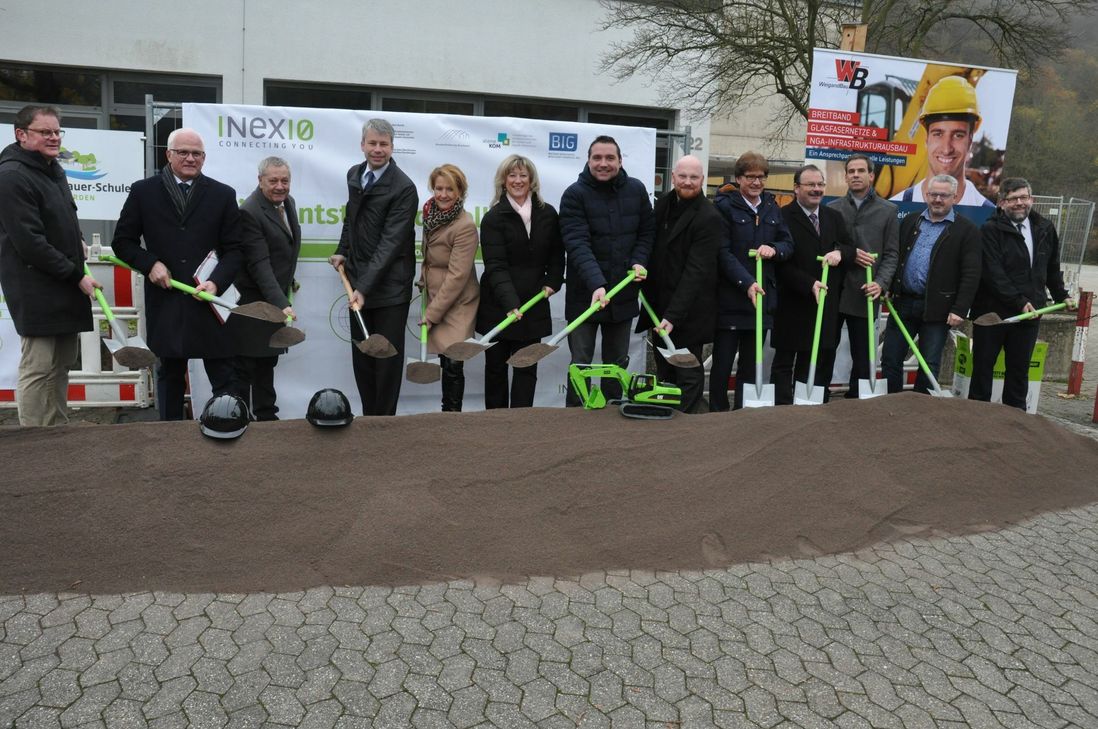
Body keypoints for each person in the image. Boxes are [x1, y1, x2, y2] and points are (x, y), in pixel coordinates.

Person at [112, 128, 243, 421]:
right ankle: (169, 437)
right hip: (167, 299)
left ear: (204, 158)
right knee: (170, 374)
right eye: (183, 152)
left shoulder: (223, 194)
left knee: (224, 374)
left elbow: (236, 250)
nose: (190, 158)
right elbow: (123, 242)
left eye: (196, 153)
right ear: (168, 155)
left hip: (209, 300)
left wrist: (216, 282)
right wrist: (151, 264)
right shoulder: (143, 191)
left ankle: (228, 428)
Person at [0, 104, 101, 426]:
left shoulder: (51, 168)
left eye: (57, 132)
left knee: (61, 364)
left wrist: (77, 239)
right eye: (45, 132)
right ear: (21, 134)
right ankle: (33, 439)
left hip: (61, 285)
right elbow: (29, 242)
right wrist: (76, 275)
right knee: (39, 367)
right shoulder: (12, 176)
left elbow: (60, 217)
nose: (54, 137)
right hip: (37, 288)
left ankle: (57, 432)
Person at [329, 118, 418, 416]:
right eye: (372, 143)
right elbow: (351, 218)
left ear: (392, 147)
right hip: (358, 283)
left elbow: (391, 244)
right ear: (362, 145)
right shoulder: (354, 175)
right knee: (363, 356)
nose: (377, 149)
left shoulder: (404, 188)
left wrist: (364, 288)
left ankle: (385, 424)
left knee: (386, 360)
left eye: (384, 144)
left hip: (391, 288)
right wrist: (343, 250)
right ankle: (369, 421)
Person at [559, 135, 654, 405]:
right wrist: (596, 284)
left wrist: (639, 260)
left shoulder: (636, 190)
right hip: (585, 297)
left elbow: (647, 233)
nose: (603, 163)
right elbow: (577, 243)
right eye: (597, 158)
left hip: (623, 295)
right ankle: (576, 416)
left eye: (610, 158)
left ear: (620, 161)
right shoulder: (574, 195)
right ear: (588, 161)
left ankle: (612, 414)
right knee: (581, 363)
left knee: (617, 363)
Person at [969, 178, 1075, 409]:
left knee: (1018, 371)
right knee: (982, 370)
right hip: (992, 315)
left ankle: (1016, 421)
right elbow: (993, 273)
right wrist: (1018, 301)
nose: (1019, 203)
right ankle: (977, 417)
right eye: (1013, 199)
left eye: (1023, 197)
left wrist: (1061, 295)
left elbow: (1051, 267)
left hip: (1029, 314)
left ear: (1031, 199)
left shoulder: (1045, 228)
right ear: (1001, 203)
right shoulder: (989, 230)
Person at [476, 155, 564, 408]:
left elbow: (557, 255)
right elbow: (495, 265)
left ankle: (522, 421)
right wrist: (510, 303)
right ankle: (496, 421)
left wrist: (553, 281)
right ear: (503, 181)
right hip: (499, 306)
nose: (518, 180)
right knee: (496, 368)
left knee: (526, 368)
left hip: (534, 303)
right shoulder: (493, 218)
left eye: (523, 175)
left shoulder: (548, 214)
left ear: (531, 180)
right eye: (512, 175)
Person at [636, 154, 721, 413]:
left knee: (688, 373)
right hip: (659, 307)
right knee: (665, 371)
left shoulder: (709, 217)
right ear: (673, 177)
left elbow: (696, 272)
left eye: (694, 177)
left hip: (688, 313)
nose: (687, 181)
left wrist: (673, 315)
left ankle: (687, 423)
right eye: (682, 176)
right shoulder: (663, 204)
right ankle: (667, 420)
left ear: (702, 180)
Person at [882, 174, 981, 394]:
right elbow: (896, 256)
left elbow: (971, 273)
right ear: (926, 195)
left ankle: (922, 409)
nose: (937, 199)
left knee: (929, 364)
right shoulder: (911, 221)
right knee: (890, 358)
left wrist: (960, 309)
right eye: (933, 194)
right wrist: (889, 286)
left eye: (943, 195)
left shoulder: (967, 230)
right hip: (903, 303)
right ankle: (890, 404)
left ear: (955, 197)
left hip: (938, 308)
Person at [711, 151, 794, 411]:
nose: (756, 182)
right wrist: (746, 283)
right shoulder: (723, 207)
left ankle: (743, 414)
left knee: (750, 364)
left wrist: (774, 249)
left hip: (761, 301)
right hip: (730, 299)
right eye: (750, 177)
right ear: (738, 179)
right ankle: (718, 413)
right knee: (723, 363)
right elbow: (722, 253)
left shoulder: (772, 207)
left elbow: (788, 243)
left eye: (761, 177)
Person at [772, 165, 854, 405]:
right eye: (810, 185)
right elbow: (780, 263)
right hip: (793, 301)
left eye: (820, 184)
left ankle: (806, 410)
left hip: (823, 304)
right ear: (796, 188)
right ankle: (781, 408)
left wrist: (840, 253)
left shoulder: (833, 217)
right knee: (784, 360)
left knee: (813, 360)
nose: (816, 189)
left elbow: (850, 248)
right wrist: (808, 284)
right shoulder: (782, 216)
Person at [231, 156, 301, 421]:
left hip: (272, 296)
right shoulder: (250, 212)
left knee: (267, 360)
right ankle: (238, 417)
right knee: (248, 362)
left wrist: (287, 282)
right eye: (273, 181)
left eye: (285, 180)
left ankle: (266, 416)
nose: (280, 186)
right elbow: (259, 264)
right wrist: (282, 302)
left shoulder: (288, 203)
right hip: (253, 302)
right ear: (260, 181)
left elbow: (284, 250)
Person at [828, 154, 900, 397]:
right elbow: (827, 247)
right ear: (846, 177)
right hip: (834, 290)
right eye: (851, 171)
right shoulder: (832, 208)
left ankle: (857, 401)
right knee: (826, 348)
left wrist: (880, 283)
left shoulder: (888, 210)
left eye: (861, 171)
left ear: (871, 175)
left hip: (865, 292)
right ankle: (820, 396)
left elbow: (891, 254)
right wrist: (846, 253)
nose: (856, 175)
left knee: (862, 353)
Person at [419, 164, 480, 412]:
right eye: (438, 188)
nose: (443, 194)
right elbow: (429, 257)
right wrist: (422, 281)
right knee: (445, 361)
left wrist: (432, 314)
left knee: (454, 362)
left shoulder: (465, 225)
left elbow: (457, 276)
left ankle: (452, 417)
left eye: (450, 189)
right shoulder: (430, 215)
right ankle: (447, 416)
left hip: (457, 304)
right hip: (436, 297)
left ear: (460, 192)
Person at [891, 76, 994, 208]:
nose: (946, 149)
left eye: (958, 135)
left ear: (970, 140)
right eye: (938, 134)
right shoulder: (894, 209)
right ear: (927, 139)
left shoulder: (989, 214)